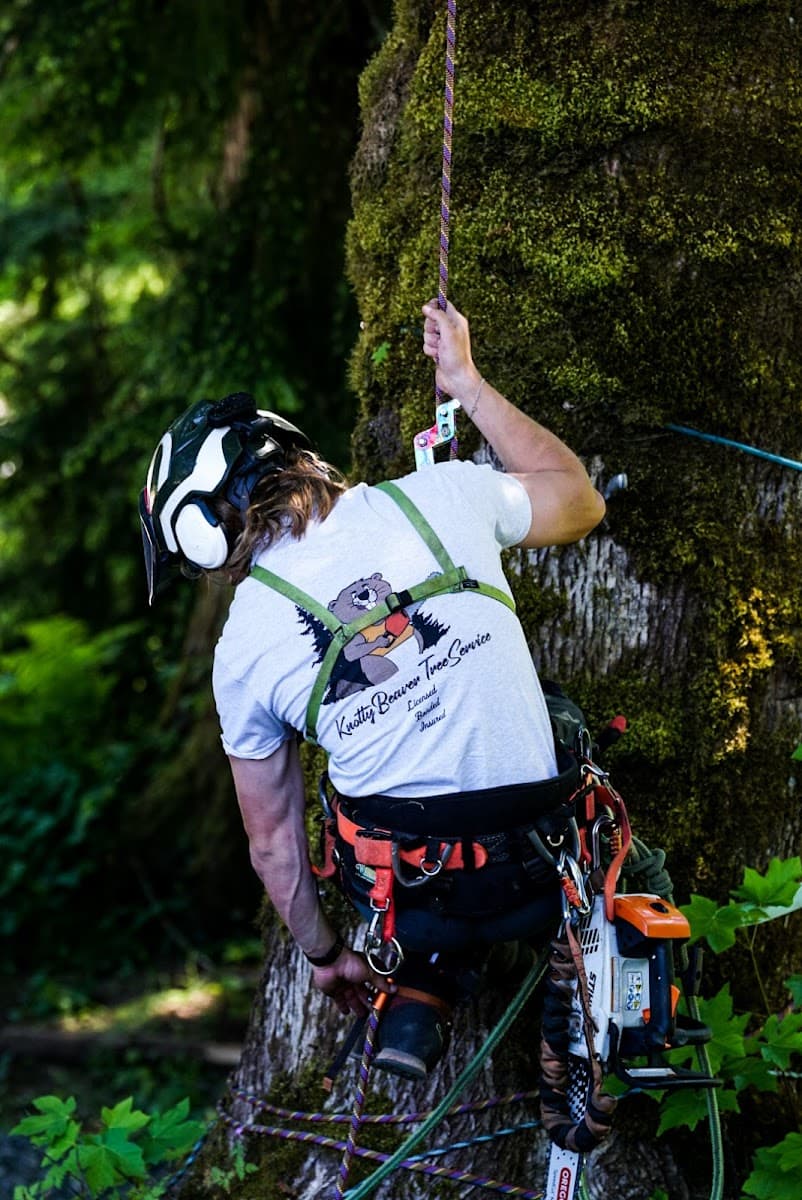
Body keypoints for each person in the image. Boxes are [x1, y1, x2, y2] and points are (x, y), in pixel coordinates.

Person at [139, 299, 605, 1080]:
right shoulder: (447, 494)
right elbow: (579, 499)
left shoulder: (241, 650)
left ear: (205, 534)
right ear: (294, 453)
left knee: (349, 799)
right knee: (567, 735)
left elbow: (274, 843)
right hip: (541, 857)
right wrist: (468, 381)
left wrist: (324, 955)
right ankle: (594, 973)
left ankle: (423, 979)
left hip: (415, 887)